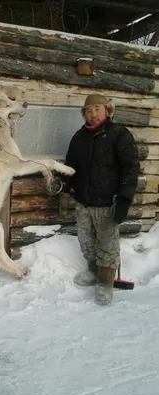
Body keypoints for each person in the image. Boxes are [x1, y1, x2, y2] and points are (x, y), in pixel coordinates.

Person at [59, 94, 140, 306]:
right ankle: (94, 272)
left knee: (107, 245)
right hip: (83, 201)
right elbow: (70, 167)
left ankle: (105, 283)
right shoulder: (79, 137)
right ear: (83, 114)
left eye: (97, 109)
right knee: (86, 241)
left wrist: (124, 199)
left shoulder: (119, 135)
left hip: (108, 203)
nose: (93, 114)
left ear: (107, 110)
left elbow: (131, 169)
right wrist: (63, 188)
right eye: (88, 110)